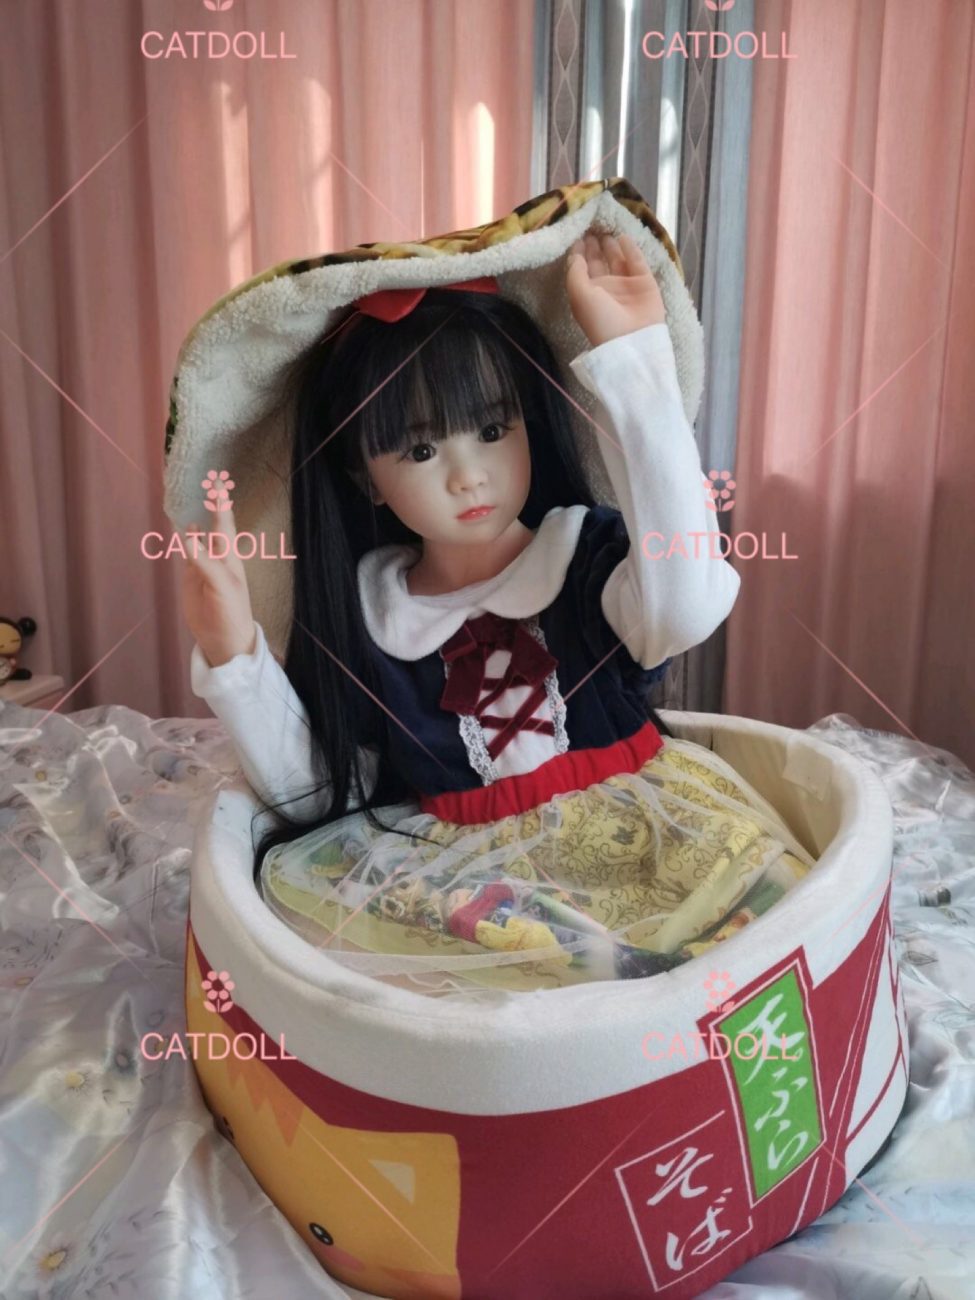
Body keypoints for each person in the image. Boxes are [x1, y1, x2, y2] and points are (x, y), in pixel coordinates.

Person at [181, 231, 813, 994]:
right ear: (364, 476)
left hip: (652, 840)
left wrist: (632, 362)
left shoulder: (586, 559)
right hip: (470, 889)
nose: (467, 475)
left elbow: (689, 603)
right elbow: (319, 796)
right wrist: (234, 657)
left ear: (528, 424)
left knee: (749, 948)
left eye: (491, 430)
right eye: (418, 451)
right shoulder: (366, 619)